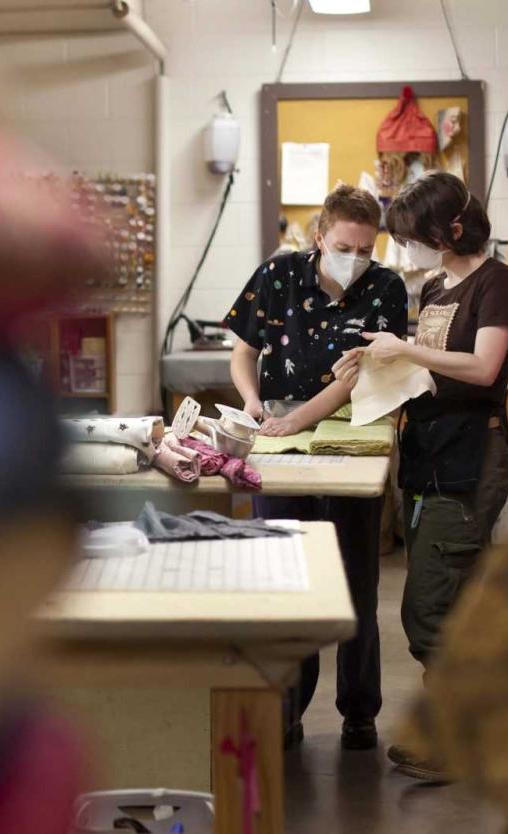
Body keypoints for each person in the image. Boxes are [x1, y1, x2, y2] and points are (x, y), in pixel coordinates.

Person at [335, 171, 508, 779]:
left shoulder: (497, 282)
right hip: (431, 457)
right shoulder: (440, 284)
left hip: (471, 460)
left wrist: (406, 349)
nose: (409, 250)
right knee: (456, 601)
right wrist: (373, 360)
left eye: (416, 237)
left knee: (430, 609)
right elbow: (428, 374)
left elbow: (483, 366)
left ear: (454, 228)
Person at [224, 184, 408, 751]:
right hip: (278, 428)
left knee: (355, 581)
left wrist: (299, 421)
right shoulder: (277, 276)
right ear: (320, 236)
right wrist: (254, 403)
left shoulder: (386, 288)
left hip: (353, 430)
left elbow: (357, 378)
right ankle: (286, 709)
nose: (355, 257)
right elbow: (241, 352)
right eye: (345, 245)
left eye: (365, 247)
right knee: (285, 581)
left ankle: (359, 713)